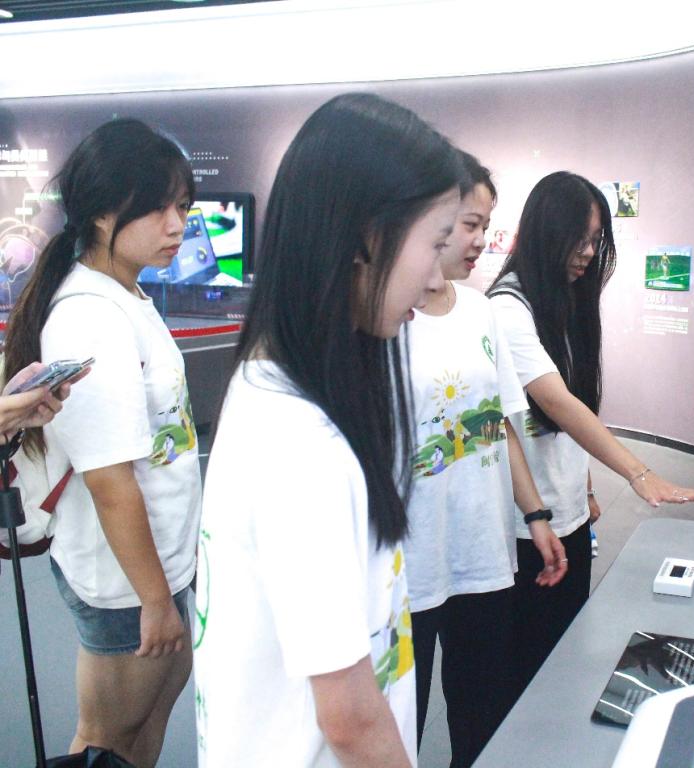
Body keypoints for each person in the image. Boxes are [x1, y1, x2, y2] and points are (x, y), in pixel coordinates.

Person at [193, 93, 464, 768]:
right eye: (435, 244)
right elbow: (349, 718)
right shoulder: (301, 444)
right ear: (366, 238)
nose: (437, 278)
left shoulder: (274, 387)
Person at [2, 118, 201, 768]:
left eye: (184, 207)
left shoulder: (125, 294)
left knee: (141, 734)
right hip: (125, 582)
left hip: (155, 567)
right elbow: (110, 482)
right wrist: (155, 601)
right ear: (101, 212)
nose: (176, 225)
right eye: (159, 207)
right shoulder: (90, 313)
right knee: (103, 745)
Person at [487, 171, 694, 696]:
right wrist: (638, 472)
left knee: (563, 653)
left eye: (596, 240)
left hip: (566, 511)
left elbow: (571, 413)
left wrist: (587, 489)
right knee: (528, 667)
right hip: (527, 524)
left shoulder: (563, 301)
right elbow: (556, 402)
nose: (589, 253)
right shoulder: (507, 308)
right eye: (580, 238)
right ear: (547, 231)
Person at [403, 151, 567, 767]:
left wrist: (536, 515)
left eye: (485, 226)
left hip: (481, 551)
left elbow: (500, 426)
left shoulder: (480, 310)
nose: (480, 240)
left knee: (481, 715)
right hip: (409, 561)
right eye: (470, 225)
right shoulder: (382, 318)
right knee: (401, 720)